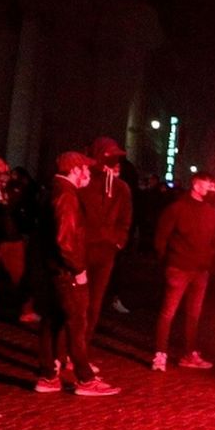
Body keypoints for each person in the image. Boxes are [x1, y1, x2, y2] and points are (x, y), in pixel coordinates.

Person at [33, 151, 118, 396]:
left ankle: (48, 375)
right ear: (75, 170)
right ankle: (85, 378)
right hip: (66, 272)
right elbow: (66, 239)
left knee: (53, 320)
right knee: (77, 322)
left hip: (52, 268)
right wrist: (78, 269)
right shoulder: (66, 195)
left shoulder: (55, 190)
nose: (88, 174)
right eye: (86, 169)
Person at [153, 172, 215, 371]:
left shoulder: (211, 212)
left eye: (211, 184)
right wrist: (168, 261)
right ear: (195, 185)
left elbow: (214, 240)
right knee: (169, 312)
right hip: (179, 268)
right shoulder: (177, 209)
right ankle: (160, 354)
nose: (210, 187)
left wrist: (208, 259)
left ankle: (188, 353)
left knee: (193, 314)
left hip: (199, 269)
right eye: (207, 183)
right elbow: (161, 238)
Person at [0, 156, 39, 324]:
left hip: (13, 237)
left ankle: (27, 310)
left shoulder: (16, 187)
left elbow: (25, 205)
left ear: (6, 167)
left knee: (20, 275)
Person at [79, 137, 132, 342]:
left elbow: (125, 219)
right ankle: (69, 347)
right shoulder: (83, 182)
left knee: (95, 303)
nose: (112, 160)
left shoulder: (120, 188)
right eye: (108, 155)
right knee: (77, 302)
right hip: (82, 249)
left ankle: (82, 347)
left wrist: (117, 241)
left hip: (105, 252)